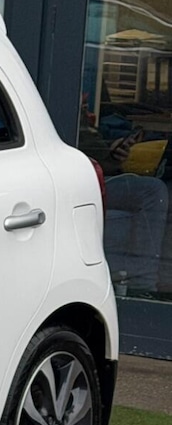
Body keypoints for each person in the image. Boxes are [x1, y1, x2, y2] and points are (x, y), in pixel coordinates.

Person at [79, 104, 169, 296]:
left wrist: (113, 152)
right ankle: (142, 286)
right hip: (81, 178)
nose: (85, 103)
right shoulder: (58, 104)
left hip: (104, 168)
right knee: (153, 191)